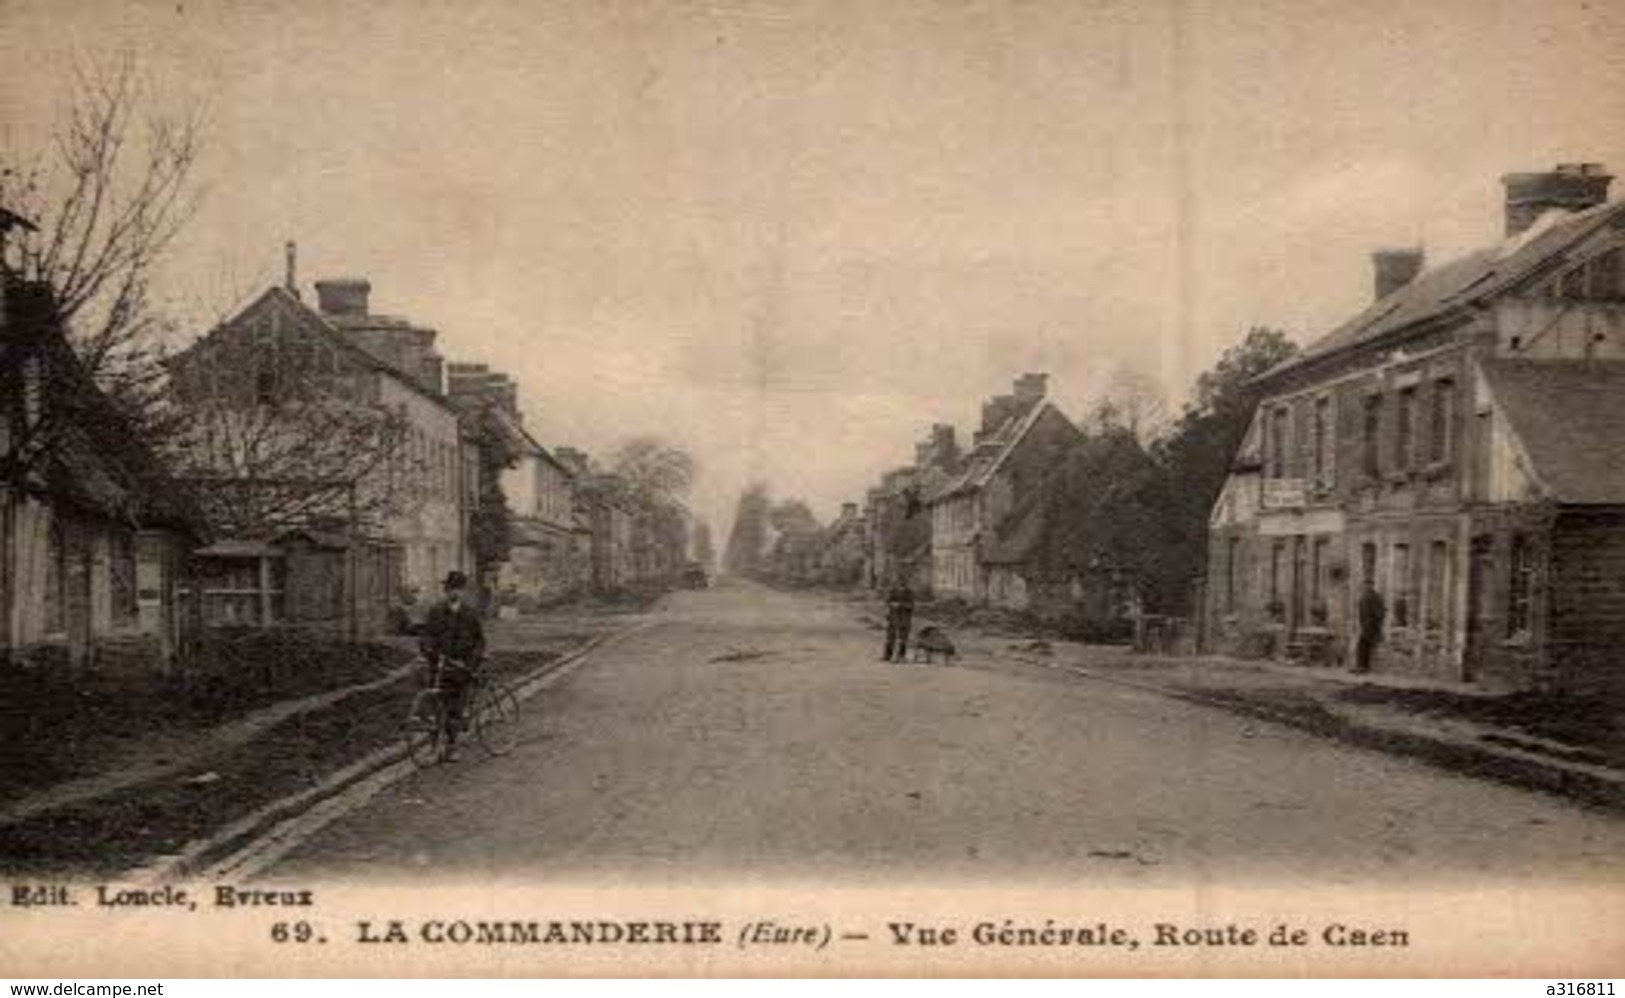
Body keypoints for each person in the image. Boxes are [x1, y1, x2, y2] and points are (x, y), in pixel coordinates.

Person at [419, 570, 486, 760]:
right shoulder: (436, 611)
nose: (453, 593)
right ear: (445, 590)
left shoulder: (470, 614)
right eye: (450, 589)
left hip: (461, 668)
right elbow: (426, 636)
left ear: (463, 591)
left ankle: (452, 746)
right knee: (435, 708)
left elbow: (479, 641)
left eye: (457, 589)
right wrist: (429, 651)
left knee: (455, 708)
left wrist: (472, 662)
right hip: (439, 665)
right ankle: (434, 747)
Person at [1354, 579, 1386, 675]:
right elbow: (1362, 612)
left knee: (1362, 644)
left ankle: (1362, 667)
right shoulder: (1366, 596)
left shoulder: (1374, 597)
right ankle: (1363, 667)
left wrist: (1376, 623)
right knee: (1364, 645)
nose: (1366, 587)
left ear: (1372, 585)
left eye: (1368, 585)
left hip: (1370, 625)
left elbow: (1379, 612)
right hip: (1366, 624)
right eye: (1365, 585)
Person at [883, 576, 915, 663]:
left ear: (906, 583)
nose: (901, 584)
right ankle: (887, 655)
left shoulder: (910, 593)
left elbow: (911, 605)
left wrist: (901, 605)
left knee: (903, 637)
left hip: (905, 617)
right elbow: (888, 601)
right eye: (899, 582)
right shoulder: (893, 591)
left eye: (903, 582)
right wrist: (892, 604)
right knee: (890, 636)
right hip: (893, 616)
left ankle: (901, 656)